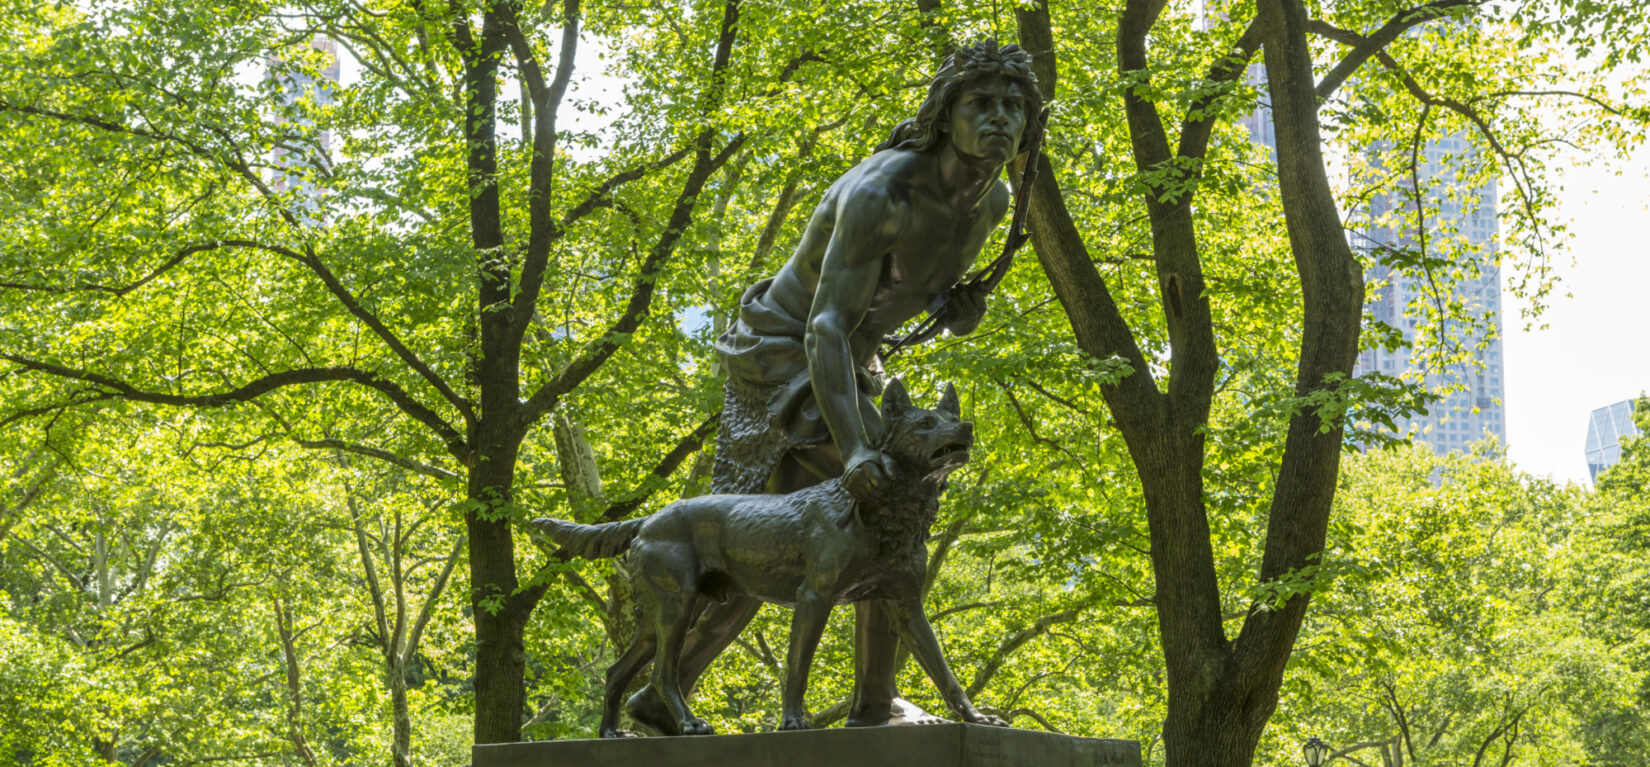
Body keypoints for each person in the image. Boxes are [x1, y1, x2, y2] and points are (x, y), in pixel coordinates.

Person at [627, 39, 1040, 733]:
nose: (999, 117)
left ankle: (682, 693)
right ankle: (870, 704)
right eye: (981, 103)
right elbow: (823, 325)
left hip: (855, 361)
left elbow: (907, 298)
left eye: (1013, 105)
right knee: (865, 507)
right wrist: (853, 449)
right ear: (946, 116)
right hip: (787, 350)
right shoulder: (883, 194)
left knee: (821, 530)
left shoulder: (992, 203)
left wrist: (959, 313)